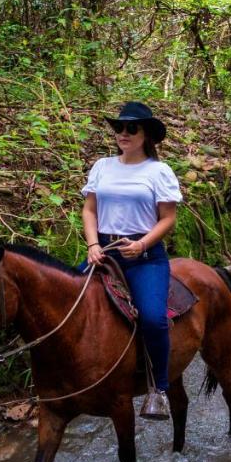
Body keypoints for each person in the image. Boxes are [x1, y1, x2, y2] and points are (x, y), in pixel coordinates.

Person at [81, 101, 182, 420]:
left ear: (146, 134)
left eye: (131, 128)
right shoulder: (102, 166)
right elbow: (90, 210)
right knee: (66, 304)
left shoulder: (159, 171)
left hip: (145, 257)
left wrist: (141, 245)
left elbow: (168, 219)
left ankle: (160, 389)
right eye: (119, 128)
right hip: (105, 254)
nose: (123, 133)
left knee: (153, 317)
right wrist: (93, 243)